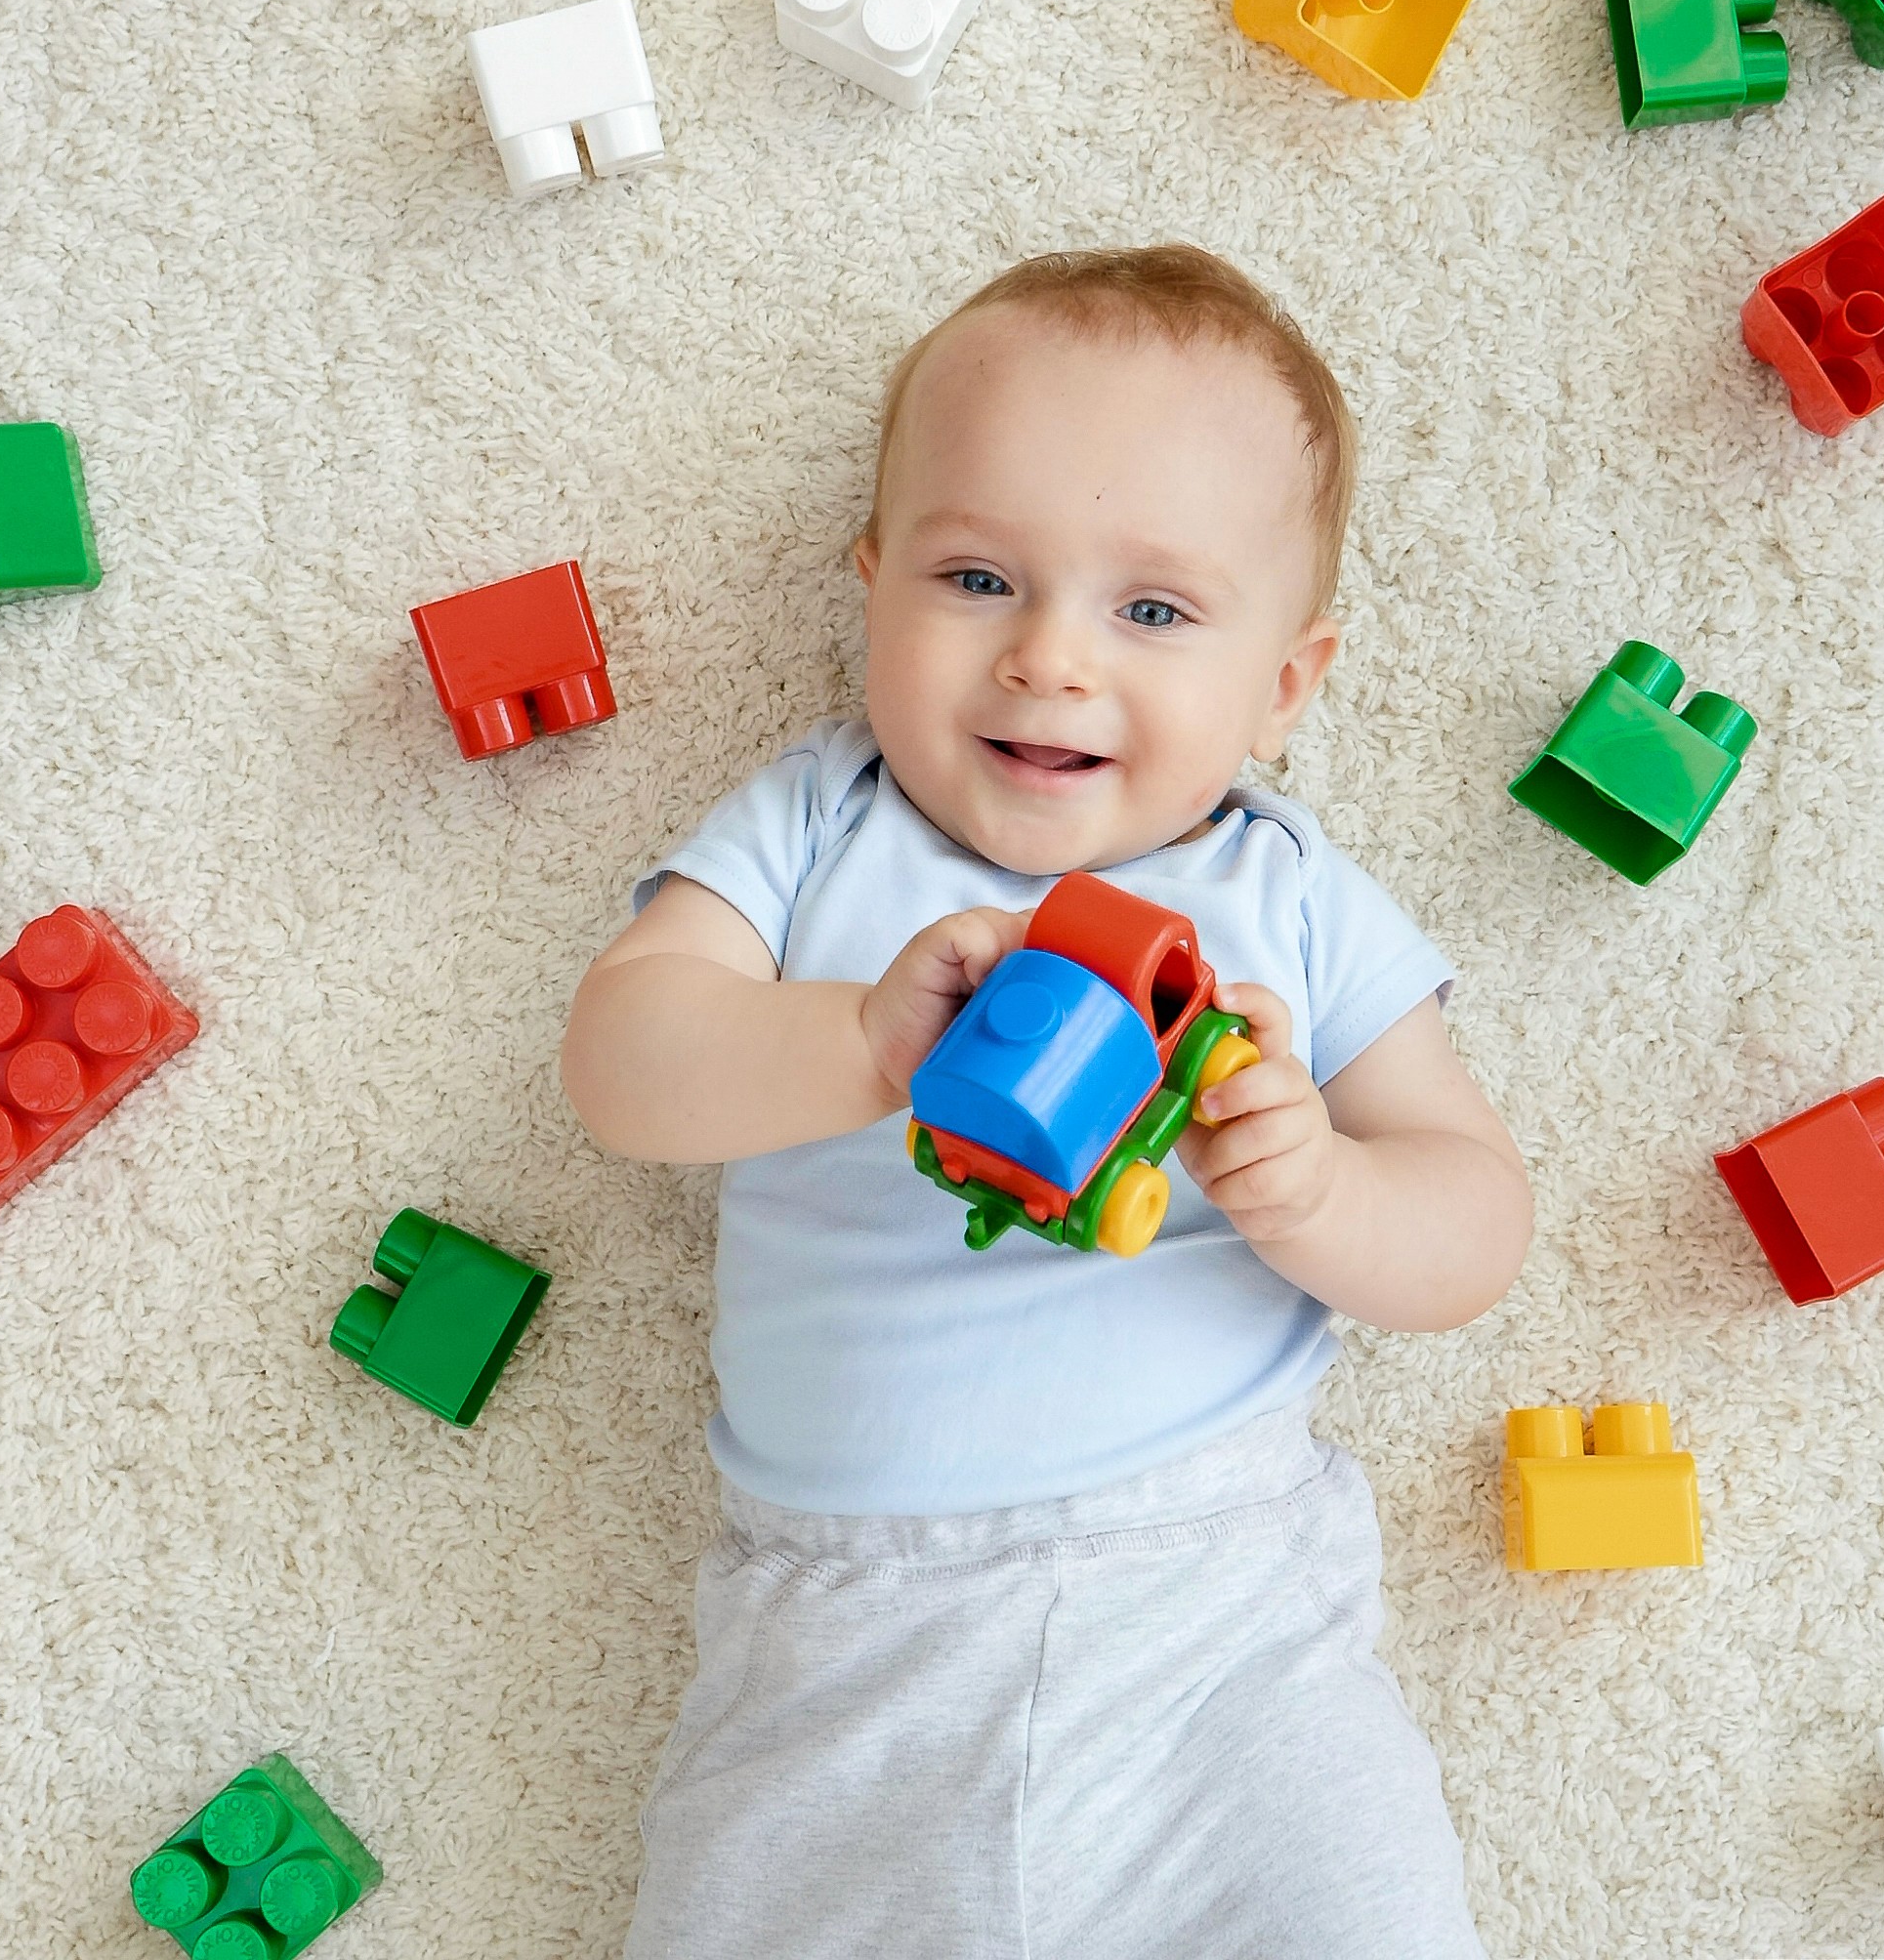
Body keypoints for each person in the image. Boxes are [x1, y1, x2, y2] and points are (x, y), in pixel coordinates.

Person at [564, 245, 1530, 1959]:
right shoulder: (815, 826)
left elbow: (1472, 1220)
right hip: (842, 1649)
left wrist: (1317, 1193)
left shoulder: (1291, 895)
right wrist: (860, 1041)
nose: (1050, 661)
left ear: (1284, 685)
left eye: (1153, 611)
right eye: (979, 578)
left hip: (1220, 1624)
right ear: (870, 586)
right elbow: (622, 1067)